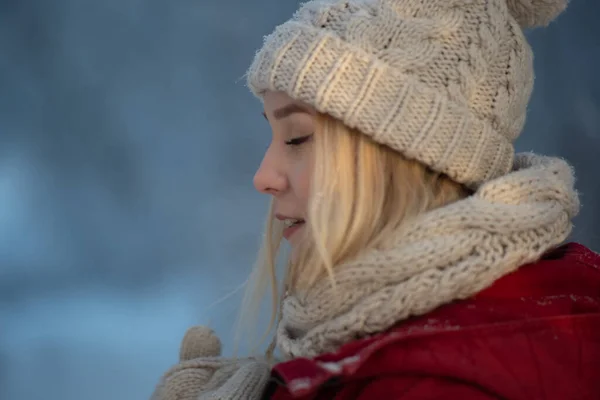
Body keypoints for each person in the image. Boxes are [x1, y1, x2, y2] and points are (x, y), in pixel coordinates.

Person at [151, 0, 600, 398]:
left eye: (298, 137)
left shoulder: (431, 384)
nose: (263, 177)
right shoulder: (527, 317)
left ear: (407, 154)